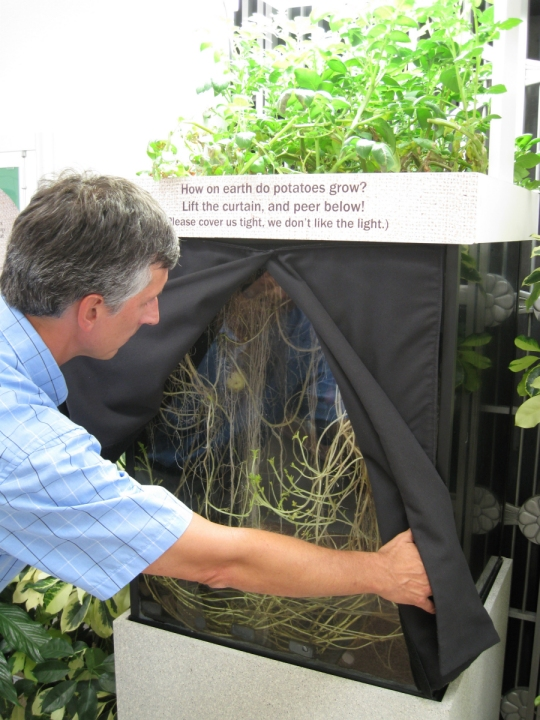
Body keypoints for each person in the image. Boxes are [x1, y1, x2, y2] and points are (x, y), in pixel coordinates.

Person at [0, 172, 435, 614]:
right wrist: (382, 572)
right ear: (92, 309)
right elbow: (218, 562)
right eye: (147, 300)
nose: (154, 318)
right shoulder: (30, 452)